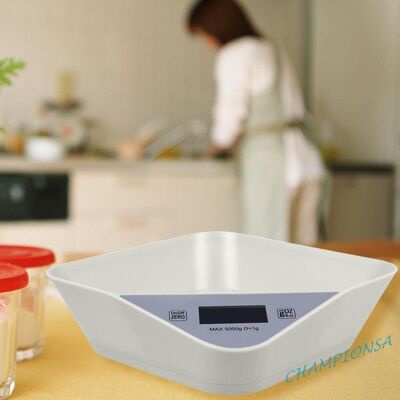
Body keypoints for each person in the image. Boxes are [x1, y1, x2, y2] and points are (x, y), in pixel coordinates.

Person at [187, 0, 326, 244]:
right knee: (307, 254)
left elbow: (229, 122)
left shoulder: (234, 54)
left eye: (203, 33)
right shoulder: (273, 48)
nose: (206, 41)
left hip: (271, 166)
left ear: (215, 27)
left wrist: (210, 153)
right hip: (307, 163)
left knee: (265, 250)